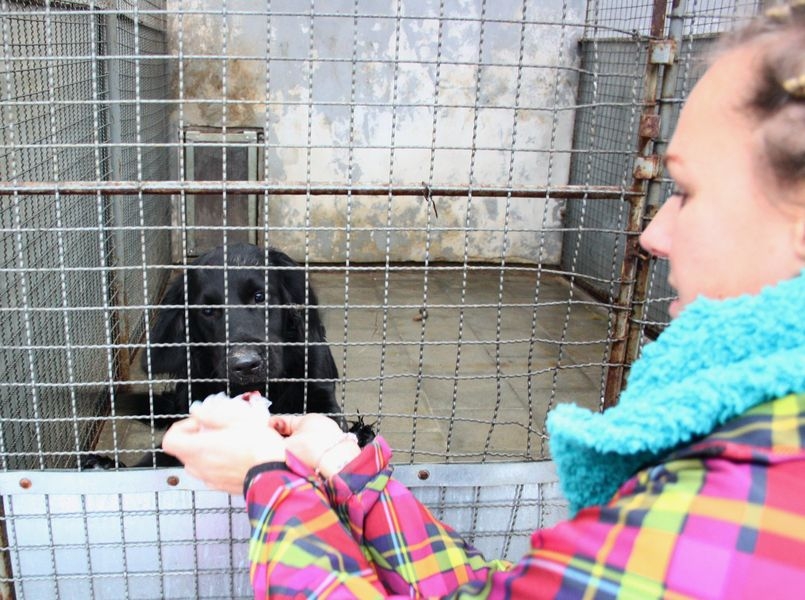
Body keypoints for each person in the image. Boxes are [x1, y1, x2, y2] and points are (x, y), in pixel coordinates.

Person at [162, 3, 805, 598]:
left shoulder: (743, 492)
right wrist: (341, 466)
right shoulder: (747, 442)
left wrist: (268, 480)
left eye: (686, 190)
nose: (651, 232)